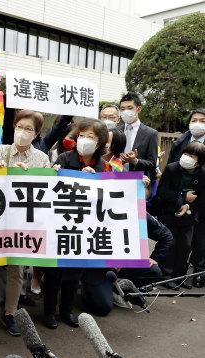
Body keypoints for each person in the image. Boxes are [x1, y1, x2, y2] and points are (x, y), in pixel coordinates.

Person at [0, 109, 51, 336]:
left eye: (28, 129)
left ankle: (11, 313)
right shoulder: (1, 150)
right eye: (20, 126)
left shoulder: (42, 158)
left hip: (23, 224)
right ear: (13, 127)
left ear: (36, 133)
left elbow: (46, 190)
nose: (22, 132)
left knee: (17, 270)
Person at [45, 119, 111, 329]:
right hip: (61, 224)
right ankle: (48, 312)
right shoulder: (64, 159)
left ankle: (66, 310)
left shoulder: (105, 167)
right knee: (54, 272)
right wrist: (54, 174)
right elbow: (50, 190)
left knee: (74, 272)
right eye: (82, 135)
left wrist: (95, 181)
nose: (84, 140)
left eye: (90, 137)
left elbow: (111, 198)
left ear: (100, 142)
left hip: (86, 228)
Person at [80, 175, 170, 316]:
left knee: (154, 271)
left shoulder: (143, 215)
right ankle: (88, 288)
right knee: (103, 308)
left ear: (145, 202)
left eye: (140, 200)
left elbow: (166, 236)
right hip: (96, 266)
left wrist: (155, 258)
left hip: (123, 265)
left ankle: (120, 289)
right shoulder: (98, 208)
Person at [157, 142, 205, 290]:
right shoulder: (172, 168)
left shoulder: (203, 173)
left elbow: (202, 198)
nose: (186, 158)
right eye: (185, 154)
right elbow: (162, 191)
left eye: (191, 156)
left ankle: (179, 276)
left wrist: (188, 206)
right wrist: (182, 197)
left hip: (189, 217)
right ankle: (166, 276)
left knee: (185, 246)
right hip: (169, 214)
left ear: (199, 162)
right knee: (171, 244)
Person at [167, 109, 205, 287]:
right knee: (177, 242)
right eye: (194, 120)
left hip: (199, 202)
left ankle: (196, 273)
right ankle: (169, 275)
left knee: (198, 242)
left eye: (202, 120)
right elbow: (169, 179)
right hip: (176, 204)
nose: (197, 123)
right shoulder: (180, 143)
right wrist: (182, 198)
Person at [117, 92, 159, 176]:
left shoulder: (151, 134)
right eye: (122, 109)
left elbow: (152, 163)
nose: (125, 111)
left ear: (138, 109)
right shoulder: (115, 131)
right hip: (116, 179)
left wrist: (135, 161)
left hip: (139, 181)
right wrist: (119, 161)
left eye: (130, 108)